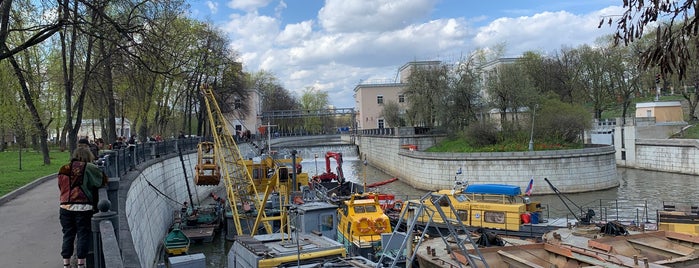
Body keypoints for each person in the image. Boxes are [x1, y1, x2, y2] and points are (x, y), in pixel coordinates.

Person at [58, 147, 108, 268]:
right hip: (83, 207)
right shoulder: (89, 167)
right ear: (88, 156)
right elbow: (103, 181)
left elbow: (60, 186)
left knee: (68, 234)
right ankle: (81, 263)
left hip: (65, 206)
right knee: (83, 234)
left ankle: (66, 264)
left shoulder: (64, 168)